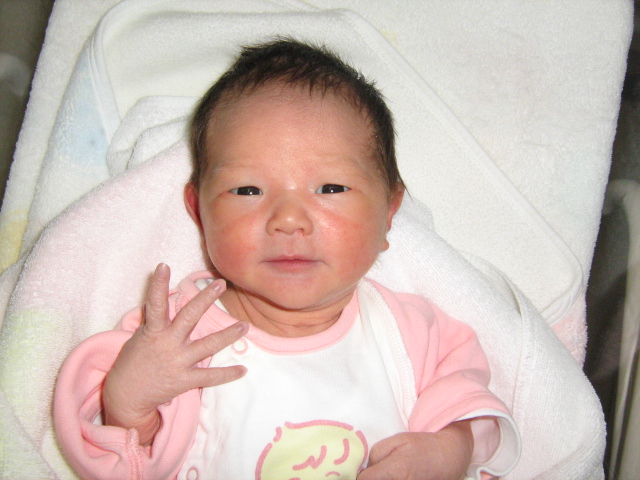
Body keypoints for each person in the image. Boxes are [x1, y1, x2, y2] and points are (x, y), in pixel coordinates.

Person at [54, 38, 519, 480]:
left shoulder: (412, 334)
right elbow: (124, 462)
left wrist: (451, 449)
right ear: (199, 211)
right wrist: (127, 403)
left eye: (331, 188)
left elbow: (476, 415)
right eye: (247, 190)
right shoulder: (176, 335)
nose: (288, 219)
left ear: (389, 214)